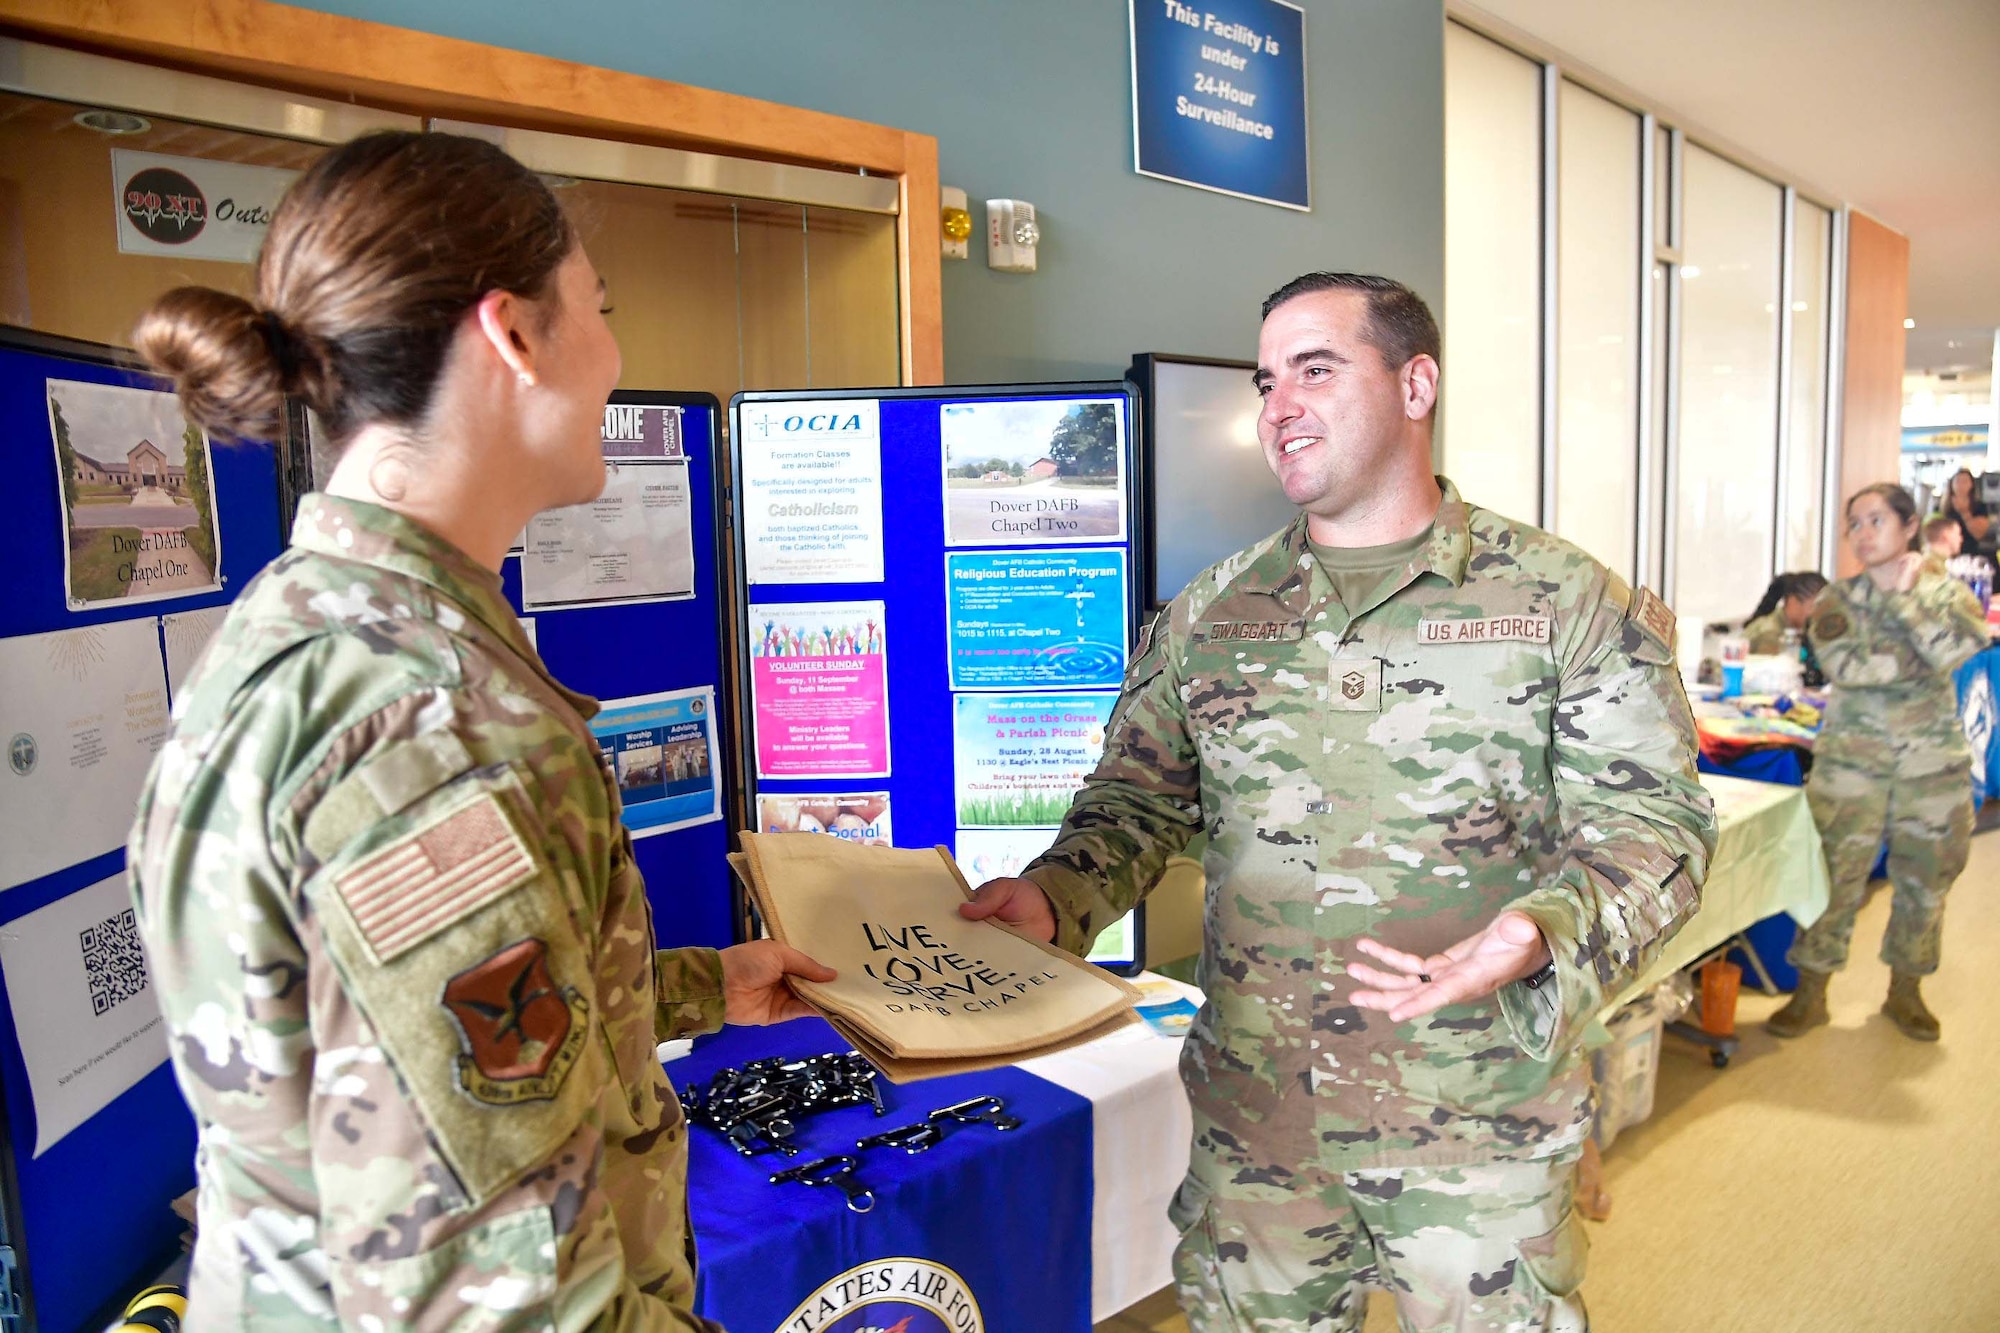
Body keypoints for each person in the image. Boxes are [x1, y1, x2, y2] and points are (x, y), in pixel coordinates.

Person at [127, 131, 833, 1327]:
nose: (613, 356)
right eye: (596, 308)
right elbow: (499, 1303)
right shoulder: (437, 727)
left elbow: (381, 1050)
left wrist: (703, 987)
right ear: (511, 334)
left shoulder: (306, 627)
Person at [960, 272, 1716, 1331]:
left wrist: (1540, 932)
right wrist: (1052, 897)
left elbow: (1655, 833)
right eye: (1266, 380)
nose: (1278, 406)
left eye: (1316, 369)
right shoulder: (1210, 614)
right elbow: (1132, 803)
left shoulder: (1562, 601)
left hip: (1476, 1126)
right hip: (1259, 1133)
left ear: (1414, 385)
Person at [1767, 483, 1987, 1043]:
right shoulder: (1837, 600)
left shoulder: (1949, 590)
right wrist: (1912, 630)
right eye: (1854, 525)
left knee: (1925, 879)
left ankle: (1906, 992)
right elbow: (1849, 667)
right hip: (1850, 766)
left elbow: (1955, 650)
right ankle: (1810, 994)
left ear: (1910, 525)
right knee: (1833, 876)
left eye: (1875, 521)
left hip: (1931, 766)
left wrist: (1907, 604)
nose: (1863, 535)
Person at [1742, 571, 1828, 654]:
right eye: (1814, 607)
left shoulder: (1801, 631)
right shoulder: (1769, 634)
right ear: (1793, 602)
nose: (1820, 614)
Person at [1935, 466, 1995, 559]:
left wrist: (1964, 512)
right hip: (1946, 553)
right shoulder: (1943, 506)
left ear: (1971, 484)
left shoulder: (1979, 507)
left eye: (1965, 481)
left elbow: (1979, 534)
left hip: (1970, 553)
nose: (1961, 485)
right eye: (1958, 481)